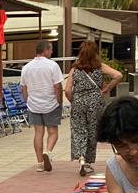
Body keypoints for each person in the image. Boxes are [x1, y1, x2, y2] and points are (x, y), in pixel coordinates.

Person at [65, 40, 123, 176]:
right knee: (92, 130)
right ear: (94, 53)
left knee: (78, 130)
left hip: (78, 101)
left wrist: (75, 101)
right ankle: (89, 162)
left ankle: (81, 158)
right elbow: (118, 75)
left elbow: (67, 90)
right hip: (95, 101)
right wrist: (108, 88)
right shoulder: (99, 67)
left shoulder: (75, 69)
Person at [20, 39, 64, 172]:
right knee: (53, 131)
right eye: (50, 49)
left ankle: (39, 163)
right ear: (45, 50)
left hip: (34, 104)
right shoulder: (52, 65)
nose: (52, 52)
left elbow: (23, 88)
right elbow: (57, 86)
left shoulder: (26, 67)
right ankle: (48, 152)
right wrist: (59, 101)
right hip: (50, 103)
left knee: (38, 132)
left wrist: (27, 100)